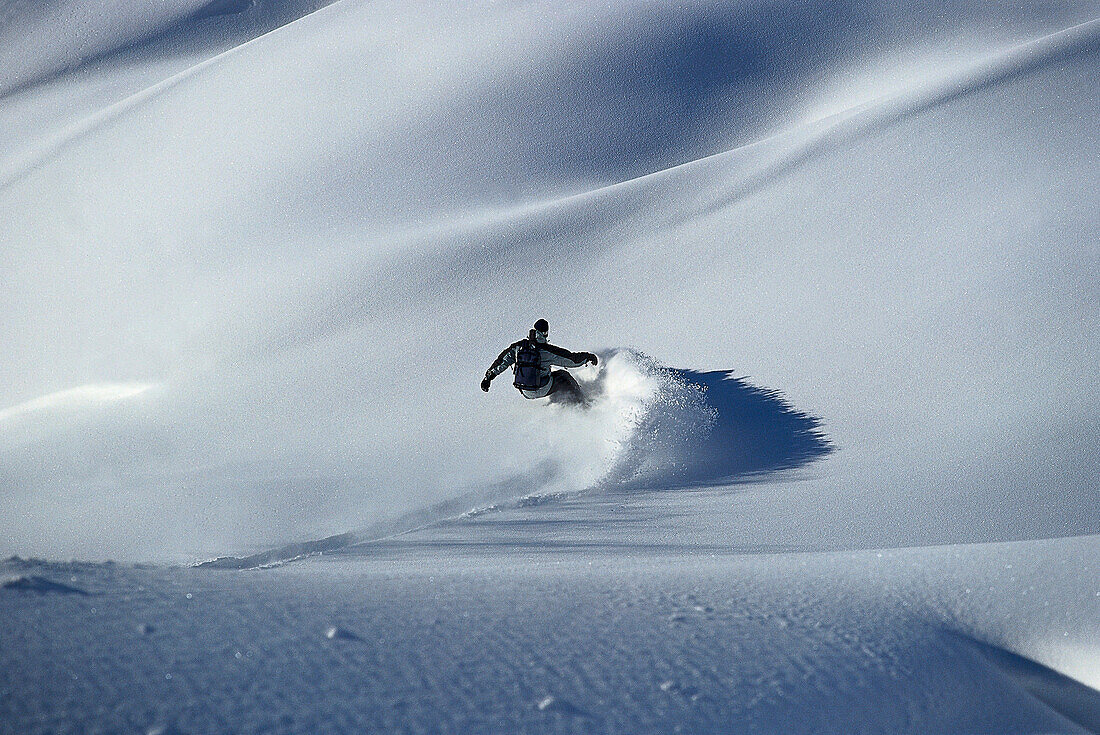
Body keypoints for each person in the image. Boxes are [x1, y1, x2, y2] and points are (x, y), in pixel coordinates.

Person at [481, 319, 598, 405]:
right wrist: (589, 357)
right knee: (563, 375)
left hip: (525, 391)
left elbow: (502, 362)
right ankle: (582, 403)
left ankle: (567, 400)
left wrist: (488, 378)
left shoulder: (518, 347)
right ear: (545, 333)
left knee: (551, 376)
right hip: (543, 388)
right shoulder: (547, 350)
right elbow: (571, 360)